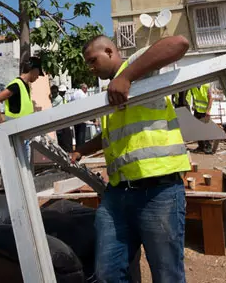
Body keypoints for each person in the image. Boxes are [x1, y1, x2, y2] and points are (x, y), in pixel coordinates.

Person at [72, 35, 191, 283]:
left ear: (109, 51)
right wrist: (81, 149)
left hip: (159, 190)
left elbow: (179, 43)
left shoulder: (135, 68)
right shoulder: (109, 93)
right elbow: (110, 135)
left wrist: (126, 77)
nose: (91, 68)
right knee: (107, 273)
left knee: (167, 274)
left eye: (93, 60)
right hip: (117, 194)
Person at [0, 57, 43, 156]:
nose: (38, 76)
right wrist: (2, 128)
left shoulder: (26, 86)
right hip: (16, 136)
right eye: (38, 73)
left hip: (24, 135)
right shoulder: (16, 85)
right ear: (33, 69)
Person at [186, 83, 215, 154]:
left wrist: (208, 110)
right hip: (197, 111)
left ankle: (208, 147)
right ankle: (201, 146)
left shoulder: (206, 86)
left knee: (205, 130)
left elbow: (211, 98)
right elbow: (194, 96)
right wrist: (193, 105)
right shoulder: (193, 87)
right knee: (197, 130)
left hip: (205, 112)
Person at [54, 85, 73, 151]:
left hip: (64, 120)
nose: (64, 93)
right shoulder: (59, 98)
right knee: (65, 138)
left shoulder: (62, 98)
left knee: (67, 138)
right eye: (63, 91)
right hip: (61, 120)